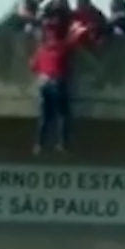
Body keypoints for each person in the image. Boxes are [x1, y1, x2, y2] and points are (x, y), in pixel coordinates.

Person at [29, 19, 90, 154]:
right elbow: (77, 39)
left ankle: (39, 144)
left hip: (44, 82)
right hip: (58, 82)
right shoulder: (64, 47)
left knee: (45, 116)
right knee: (63, 115)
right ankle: (62, 144)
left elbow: (33, 66)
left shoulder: (42, 49)